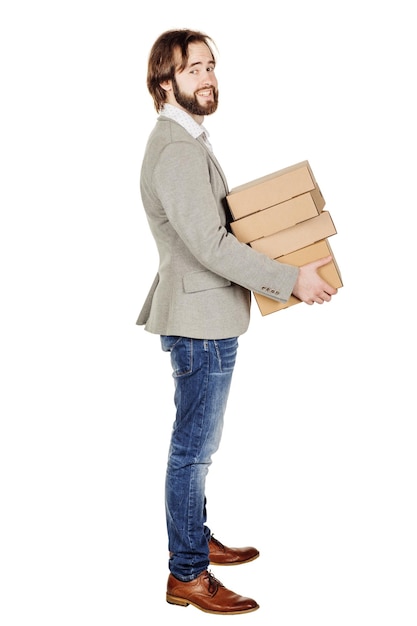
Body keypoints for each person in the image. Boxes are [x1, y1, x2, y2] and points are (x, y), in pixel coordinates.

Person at [137, 28, 337, 615]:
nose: (207, 77)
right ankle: (186, 573)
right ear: (164, 82)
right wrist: (289, 277)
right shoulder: (175, 148)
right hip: (199, 321)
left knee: (200, 446)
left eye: (210, 65)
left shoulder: (188, 141)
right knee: (192, 451)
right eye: (192, 68)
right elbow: (210, 245)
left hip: (207, 317)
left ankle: (195, 541)